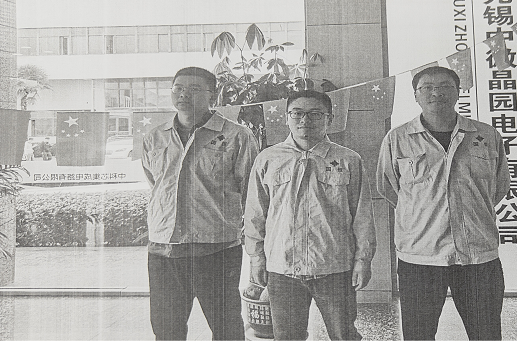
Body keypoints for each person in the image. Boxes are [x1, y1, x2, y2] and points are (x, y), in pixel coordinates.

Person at [376, 66, 511, 340]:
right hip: (419, 255)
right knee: (418, 334)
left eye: (445, 86)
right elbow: (388, 187)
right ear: (416, 95)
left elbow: (499, 186)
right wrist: (422, 213)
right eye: (427, 87)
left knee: (486, 333)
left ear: (458, 92)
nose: (436, 92)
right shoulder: (397, 139)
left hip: (478, 254)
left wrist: (471, 210)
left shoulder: (486, 135)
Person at [245, 89, 377, 340]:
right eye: (297, 113)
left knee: (344, 335)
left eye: (315, 114)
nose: (305, 120)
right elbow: (255, 213)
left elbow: (362, 216)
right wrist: (256, 257)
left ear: (330, 119)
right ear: (287, 118)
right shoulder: (268, 159)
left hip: (335, 265)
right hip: (282, 267)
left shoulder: (348, 159)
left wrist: (363, 260)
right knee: (287, 337)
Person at [141, 66, 259, 340]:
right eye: (178, 88)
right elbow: (157, 184)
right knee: (166, 330)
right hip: (163, 249)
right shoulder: (154, 137)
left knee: (226, 328)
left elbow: (251, 193)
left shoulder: (237, 136)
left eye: (194, 89)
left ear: (212, 96)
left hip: (216, 249)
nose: (184, 94)